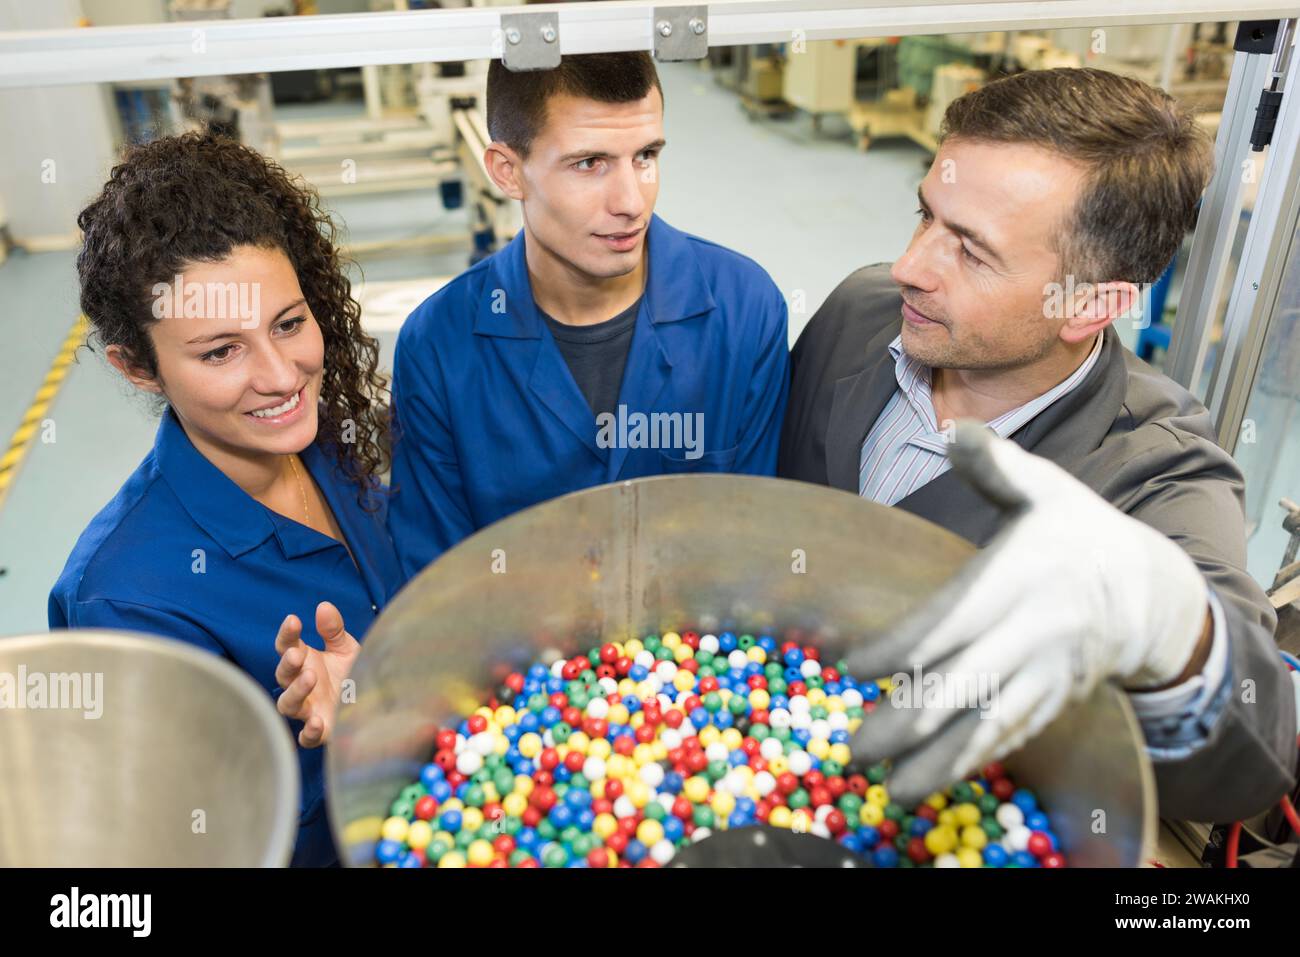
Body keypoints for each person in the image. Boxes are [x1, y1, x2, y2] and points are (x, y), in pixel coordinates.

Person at [778, 68, 1297, 822]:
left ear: (1092, 305)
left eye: (971, 250)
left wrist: (1175, 628)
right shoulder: (864, 313)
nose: (910, 267)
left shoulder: (1156, 466)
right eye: (925, 215)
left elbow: (1255, 759)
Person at [48, 132, 400, 866]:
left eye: (289, 323)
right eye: (220, 351)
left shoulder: (329, 444)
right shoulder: (124, 601)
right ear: (138, 366)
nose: (281, 376)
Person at [387, 52, 790, 581]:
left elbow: (755, 544)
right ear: (508, 172)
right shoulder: (438, 345)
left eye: (645, 155)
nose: (631, 201)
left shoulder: (745, 310)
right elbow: (436, 581)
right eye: (589, 163)